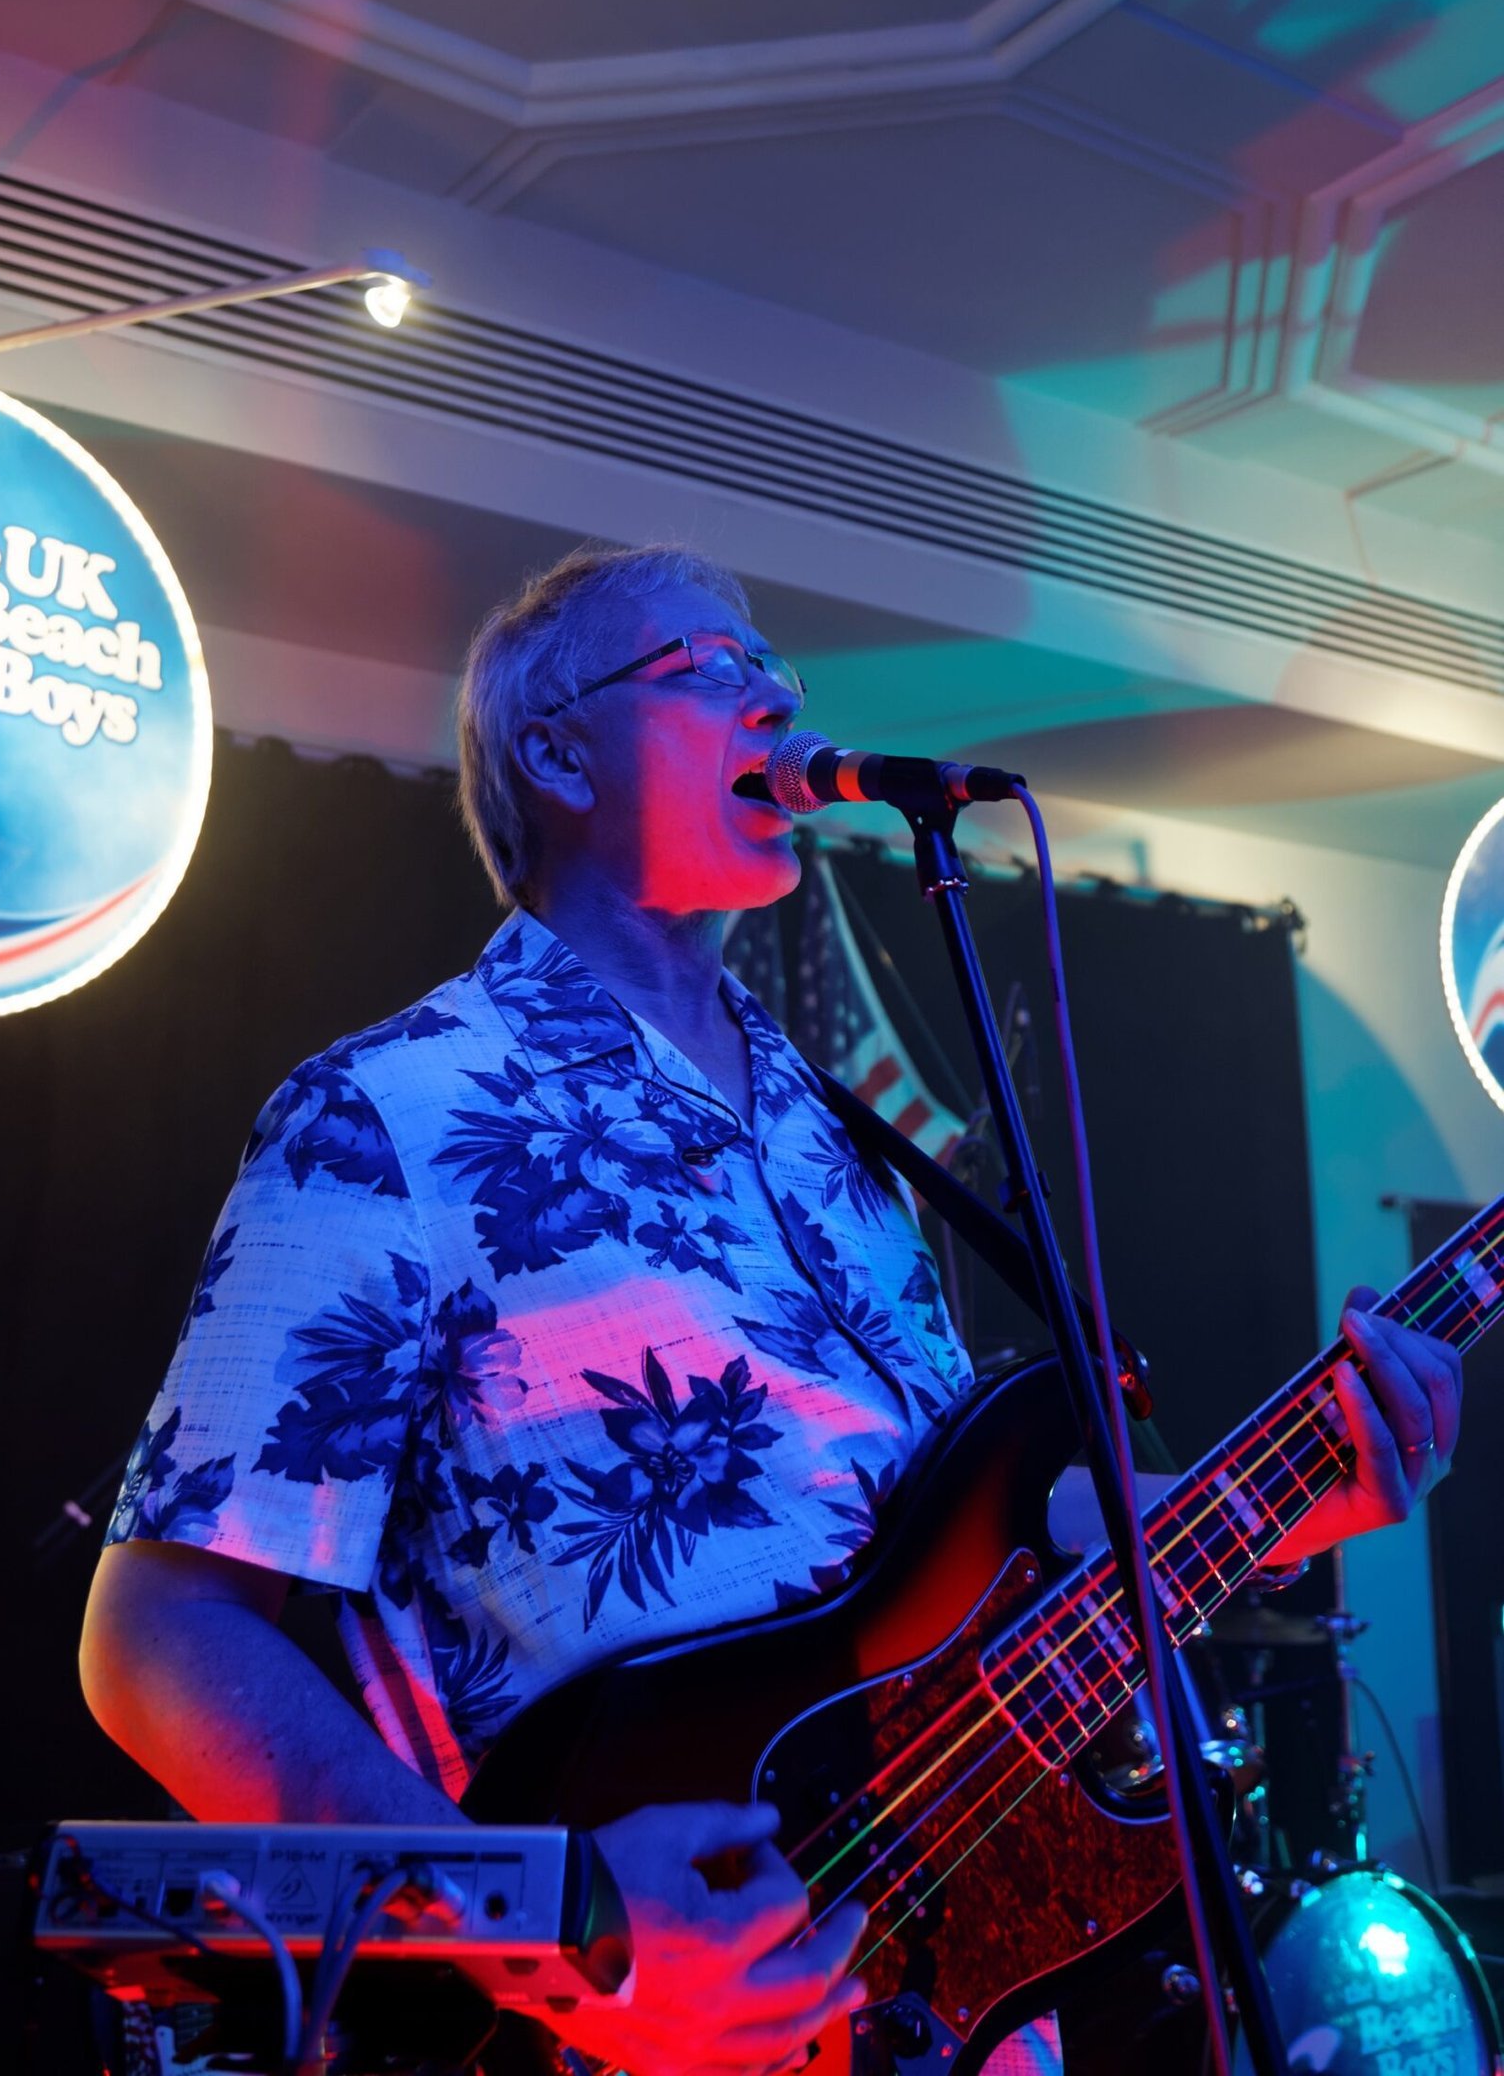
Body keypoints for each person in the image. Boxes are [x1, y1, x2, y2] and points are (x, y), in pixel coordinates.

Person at [82, 544, 1462, 2076]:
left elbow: (975, 1543)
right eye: (707, 669)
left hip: (930, 2001)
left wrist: (1293, 1495)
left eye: (774, 670)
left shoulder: (840, 1139)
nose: (774, 703)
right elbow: (159, 1639)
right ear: (557, 756)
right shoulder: (389, 1114)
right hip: (620, 2018)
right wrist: (552, 1928)